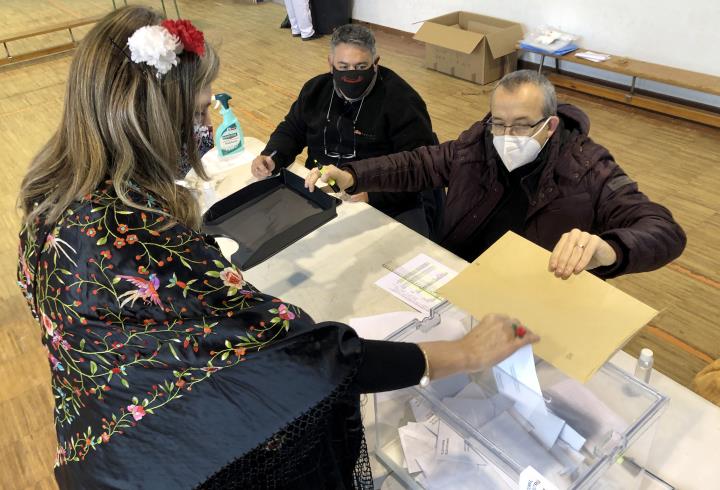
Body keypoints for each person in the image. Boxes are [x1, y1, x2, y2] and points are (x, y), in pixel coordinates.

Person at [16, 7, 538, 488]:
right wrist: (465, 353)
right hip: (171, 461)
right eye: (200, 111)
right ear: (150, 116)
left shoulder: (49, 207)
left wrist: (365, 184)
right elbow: (304, 357)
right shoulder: (136, 236)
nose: (209, 124)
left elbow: (419, 164)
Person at [305, 70, 687, 279]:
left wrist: (610, 249)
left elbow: (663, 230)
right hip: (460, 275)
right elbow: (419, 163)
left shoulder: (589, 168)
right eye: (499, 123)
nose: (507, 136)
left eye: (522, 125)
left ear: (550, 126)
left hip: (534, 291)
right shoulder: (477, 145)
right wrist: (353, 175)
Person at [251, 24, 444, 238]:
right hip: (321, 189)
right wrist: (272, 156)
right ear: (330, 64)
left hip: (385, 197)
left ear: (376, 63)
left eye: (361, 67)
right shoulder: (315, 91)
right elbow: (292, 129)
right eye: (343, 67)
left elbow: (419, 167)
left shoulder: (403, 101)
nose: (352, 75)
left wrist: (372, 195)